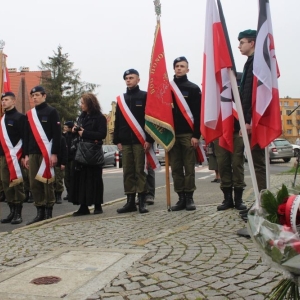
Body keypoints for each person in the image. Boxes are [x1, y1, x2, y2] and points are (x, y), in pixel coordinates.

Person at [114, 69, 154, 214]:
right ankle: (130, 201)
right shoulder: (121, 99)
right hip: (125, 141)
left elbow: (150, 119)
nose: (128, 80)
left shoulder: (145, 96)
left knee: (140, 171)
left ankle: (142, 201)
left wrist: (149, 139)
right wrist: (117, 140)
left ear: (138, 79)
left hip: (140, 141)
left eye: (131, 77)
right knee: (128, 172)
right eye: (126, 78)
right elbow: (117, 120)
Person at [24, 86, 61, 224]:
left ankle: (49, 211)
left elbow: (57, 134)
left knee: (47, 181)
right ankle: (39, 210)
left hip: (47, 152)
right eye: (32, 95)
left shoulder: (52, 112)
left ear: (44, 96)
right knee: (34, 183)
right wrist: (26, 155)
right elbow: (27, 135)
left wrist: (55, 153)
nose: (34, 97)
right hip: (33, 152)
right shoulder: (29, 114)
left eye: (37, 95)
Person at [169, 57, 201, 211]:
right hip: (171, 135)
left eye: (182, 66)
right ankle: (180, 197)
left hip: (188, 134)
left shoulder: (193, 88)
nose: (179, 68)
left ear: (188, 69)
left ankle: (189, 197)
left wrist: (196, 135)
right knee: (175, 168)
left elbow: (198, 114)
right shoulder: (167, 89)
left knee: (189, 167)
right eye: (176, 66)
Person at [69, 93, 107, 216]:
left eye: (83, 103)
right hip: (80, 152)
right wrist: (75, 130)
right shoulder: (82, 117)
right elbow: (78, 131)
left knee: (94, 179)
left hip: (93, 153)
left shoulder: (99, 118)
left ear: (90, 103)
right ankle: (83, 206)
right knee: (81, 179)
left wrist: (85, 133)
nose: (81, 105)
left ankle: (97, 205)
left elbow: (101, 134)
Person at [0, 92, 26, 224]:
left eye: (6, 100)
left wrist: (25, 155)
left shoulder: (20, 117)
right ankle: (11, 211)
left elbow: (25, 137)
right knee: (6, 183)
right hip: (3, 156)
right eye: (2, 100)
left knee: (16, 184)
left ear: (14, 101)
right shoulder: (2, 119)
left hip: (16, 156)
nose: (3, 102)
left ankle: (18, 213)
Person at [62, 121, 75, 200]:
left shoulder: (74, 135)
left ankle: (73, 193)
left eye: (66, 127)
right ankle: (69, 193)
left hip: (73, 158)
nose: (64, 128)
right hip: (66, 159)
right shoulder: (64, 136)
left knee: (72, 176)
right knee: (66, 177)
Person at [54, 135, 67, 204]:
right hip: (50, 164)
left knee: (58, 180)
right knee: (51, 180)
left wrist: (63, 163)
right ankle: (53, 195)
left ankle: (58, 195)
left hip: (59, 163)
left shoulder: (61, 138)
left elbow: (64, 151)